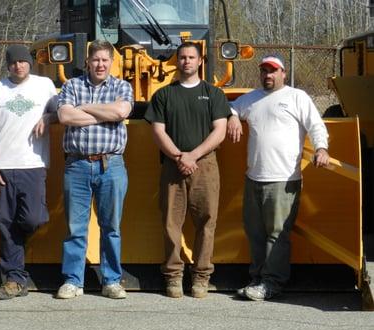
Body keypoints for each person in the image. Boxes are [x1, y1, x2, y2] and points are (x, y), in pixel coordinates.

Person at [227, 54, 330, 301]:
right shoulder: (251, 99)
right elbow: (230, 107)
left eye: (273, 71)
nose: (268, 75)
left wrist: (321, 149)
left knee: (277, 234)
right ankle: (258, 279)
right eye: (264, 71)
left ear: (283, 73)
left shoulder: (297, 97)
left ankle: (272, 283)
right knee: (255, 233)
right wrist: (232, 116)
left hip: (284, 179)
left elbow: (316, 126)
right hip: (254, 178)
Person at [144, 42, 231, 299]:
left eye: (191, 57)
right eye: (182, 57)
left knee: (207, 221)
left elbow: (220, 130)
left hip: (205, 164)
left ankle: (201, 276)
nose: (186, 62)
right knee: (171, 221)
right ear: (177, 61)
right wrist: (178, 156)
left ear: (200, 60)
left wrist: (192, 155)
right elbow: (158, 131)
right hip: (173, 164)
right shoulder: (163, 95)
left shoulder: (213, 94)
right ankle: (173, 276)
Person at [0, 44, 58, 300]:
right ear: (8, 65)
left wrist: (48, 118)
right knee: (4, 223)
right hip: (2, 166)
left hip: (33, 164)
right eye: (13, 62)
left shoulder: (44, 85)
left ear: (29, 63)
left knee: (33, 218)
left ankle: (17, 260)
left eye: (23, 61)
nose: (18, 66)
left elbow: (61, 111)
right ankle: (14, 279)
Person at [56, 40, 133, 300]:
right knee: (75, 226)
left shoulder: (122, 86)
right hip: (77, 164)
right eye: (95, 60)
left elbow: (121, 111)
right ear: (87, 61)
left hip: (111, 165)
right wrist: (105, 114)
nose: (100, 64)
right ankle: (73, 280)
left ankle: (111, 280)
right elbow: (65, 117)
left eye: (105, 60)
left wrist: (85, 108)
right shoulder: (72, 85)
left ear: (112, 62)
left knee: (111, 226)